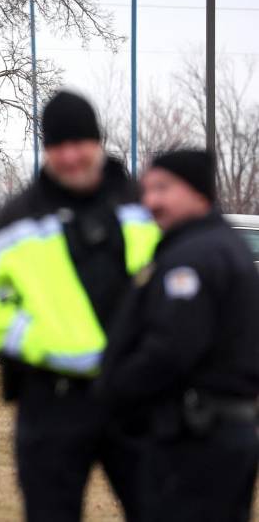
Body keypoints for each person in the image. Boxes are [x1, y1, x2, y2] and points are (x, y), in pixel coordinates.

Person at [0, 91, 160, 522]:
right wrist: (41, 343)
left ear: (99, 142)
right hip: (52, 403)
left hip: (137, 399)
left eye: (79, 144)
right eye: (57, 146)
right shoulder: (19, 220)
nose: (69, 157)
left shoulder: (144, 209)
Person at [99, 149, 259, 522]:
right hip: (218, 434)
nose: (150, 200)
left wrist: (113, 389)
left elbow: (170, 350)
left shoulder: (194, 258)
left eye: (163, 188)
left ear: (197, 192)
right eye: (148, 189)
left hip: (196, 441)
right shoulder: (217, 246)